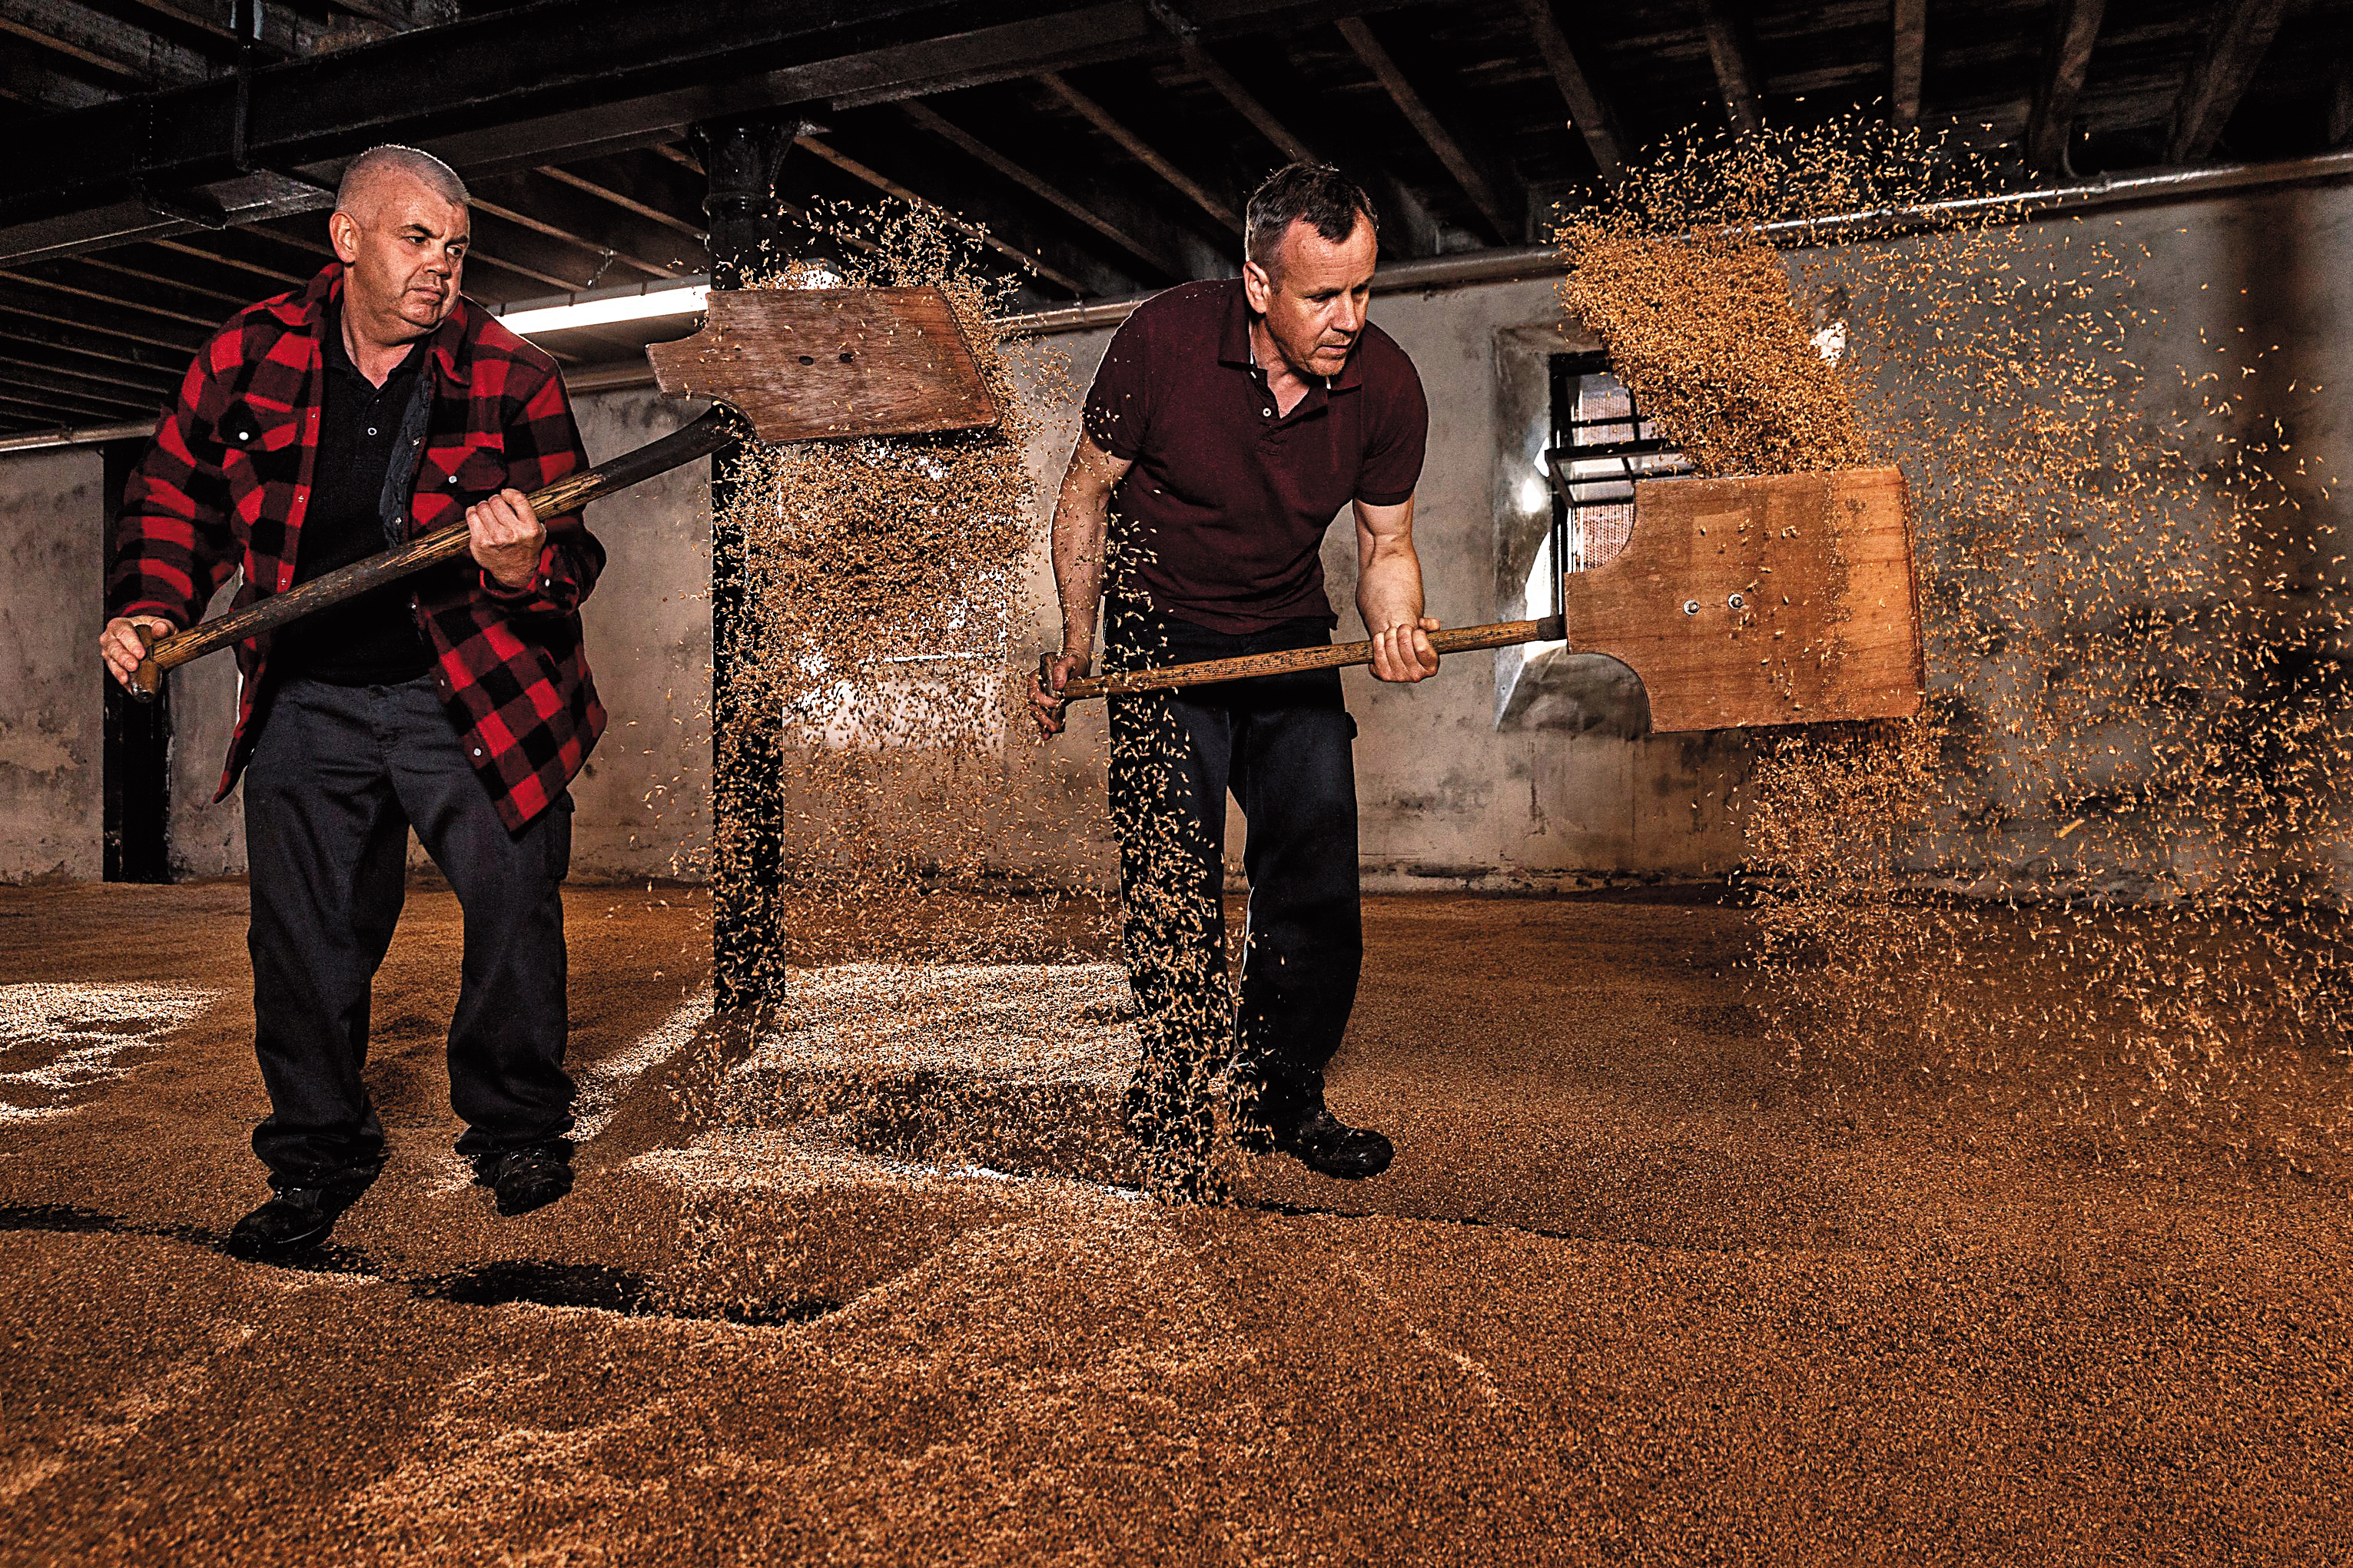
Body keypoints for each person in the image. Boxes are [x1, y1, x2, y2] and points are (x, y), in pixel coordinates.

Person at [98, 145, 606, 1257]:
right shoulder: (246, 354)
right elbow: (175, 493)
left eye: (457, 248)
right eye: (417, 239)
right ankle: (319, 1149)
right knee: (301, 940)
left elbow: (571, 556)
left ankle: (514, 1127)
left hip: (470, 685)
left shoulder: (513, 376)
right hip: (307, 688)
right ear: (346, 239)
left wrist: (522, 568)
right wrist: (148, 606)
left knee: (514, 905)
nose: (442, 267)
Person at [1030, 161, 1437, 1197]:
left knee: (1314, 870)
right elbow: (1084, 495)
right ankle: (1171, 1087)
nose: (1349, 317)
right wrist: (1078, 643)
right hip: (1162, 634)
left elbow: (1385, 541)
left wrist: (1394, 626)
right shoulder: (1163, 342)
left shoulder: (1383, 385)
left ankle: (1277, 1091)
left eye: (1361, 289)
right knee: (1171, 873)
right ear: (1258, 284)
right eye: (1321, 295)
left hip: (1291, 634)